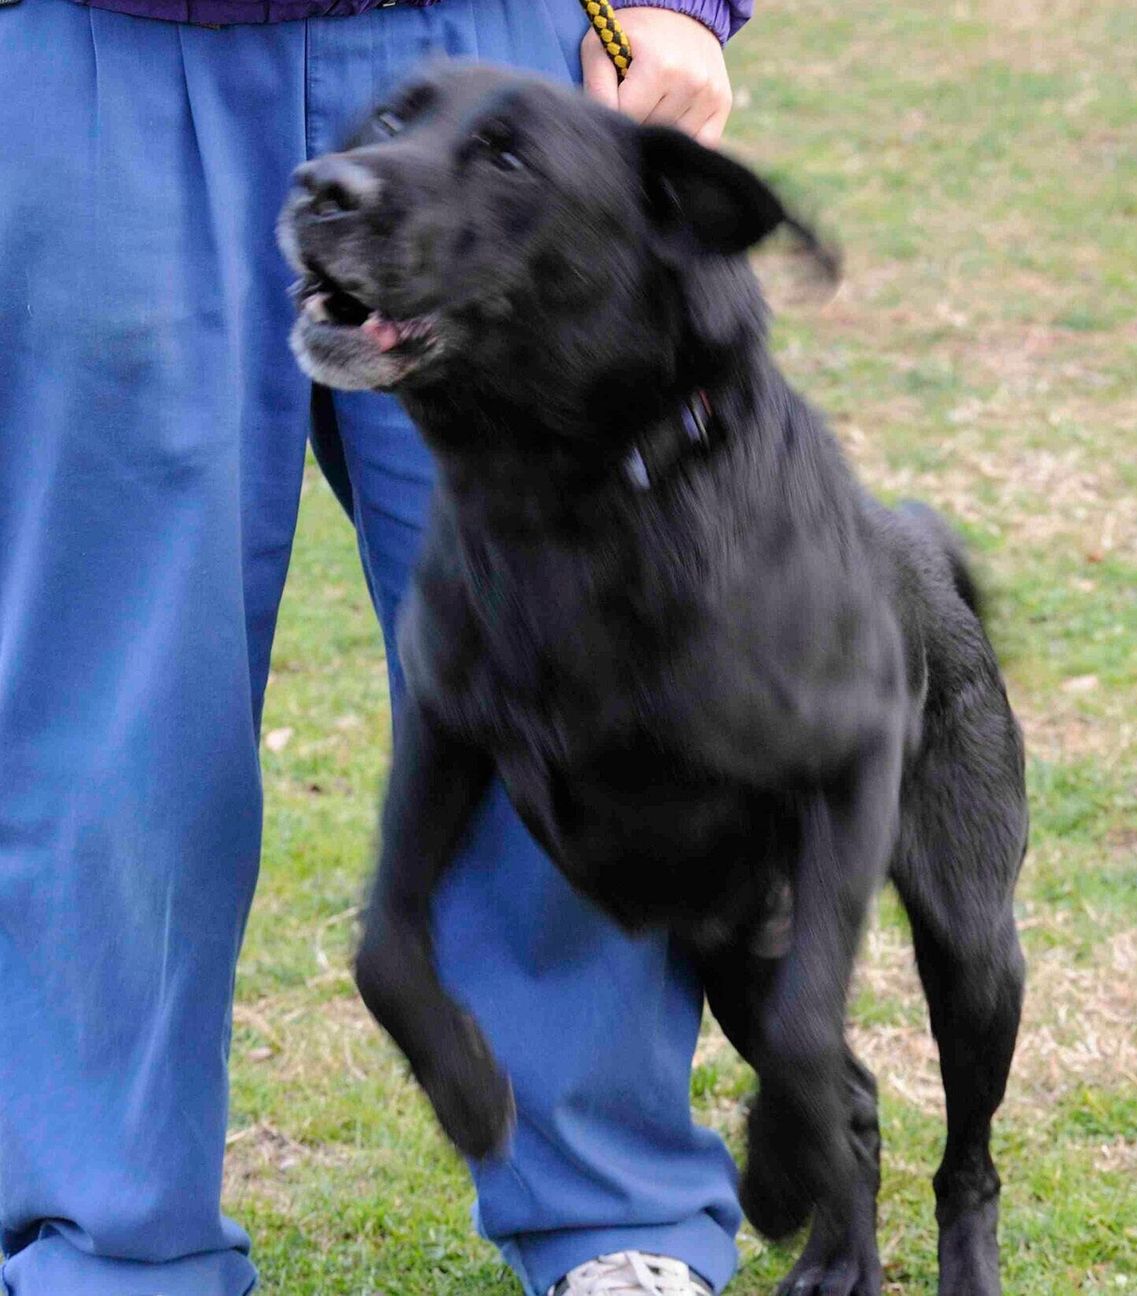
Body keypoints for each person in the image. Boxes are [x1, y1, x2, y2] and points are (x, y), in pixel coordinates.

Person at [0, 1, 754, 1294]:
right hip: (82, 57)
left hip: (479, 52)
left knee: (566, 669)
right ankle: (104, 1245)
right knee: (107, 705)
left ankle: (613, 1217)